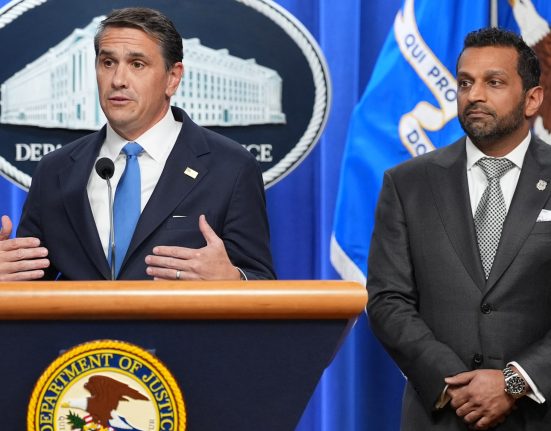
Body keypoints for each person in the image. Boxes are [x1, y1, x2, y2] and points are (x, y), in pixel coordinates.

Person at [0, 7, 275, 281]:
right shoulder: (55, 170)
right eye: (108, 63)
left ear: (173, 78)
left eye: (137, 64)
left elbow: (260, 282)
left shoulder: (230, 167)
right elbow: (30, 282)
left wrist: (233, 280)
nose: (118, 80)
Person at [366, 27, 551, 430]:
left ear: (532, 99)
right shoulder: (407, 183)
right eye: (465, 82)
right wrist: (456, 386)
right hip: (442, 414)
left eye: (494, 82)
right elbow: (387, 300)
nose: (474, 95)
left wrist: (515, 382)